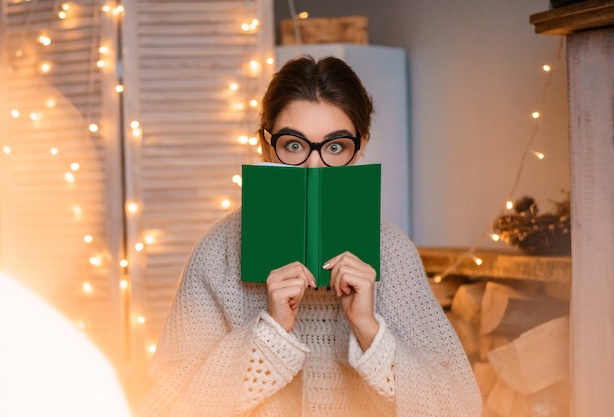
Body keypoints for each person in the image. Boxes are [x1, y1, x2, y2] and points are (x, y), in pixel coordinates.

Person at [140, 56, 482, 417]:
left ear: (360, 146)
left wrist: (369, 330)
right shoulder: (218, 251)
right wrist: (270, 333)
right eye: (294, 145)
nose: (313, 167)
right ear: (266, 145)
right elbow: (164, 406)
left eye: (335, 147)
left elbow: (460, 407)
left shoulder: (392, 251)